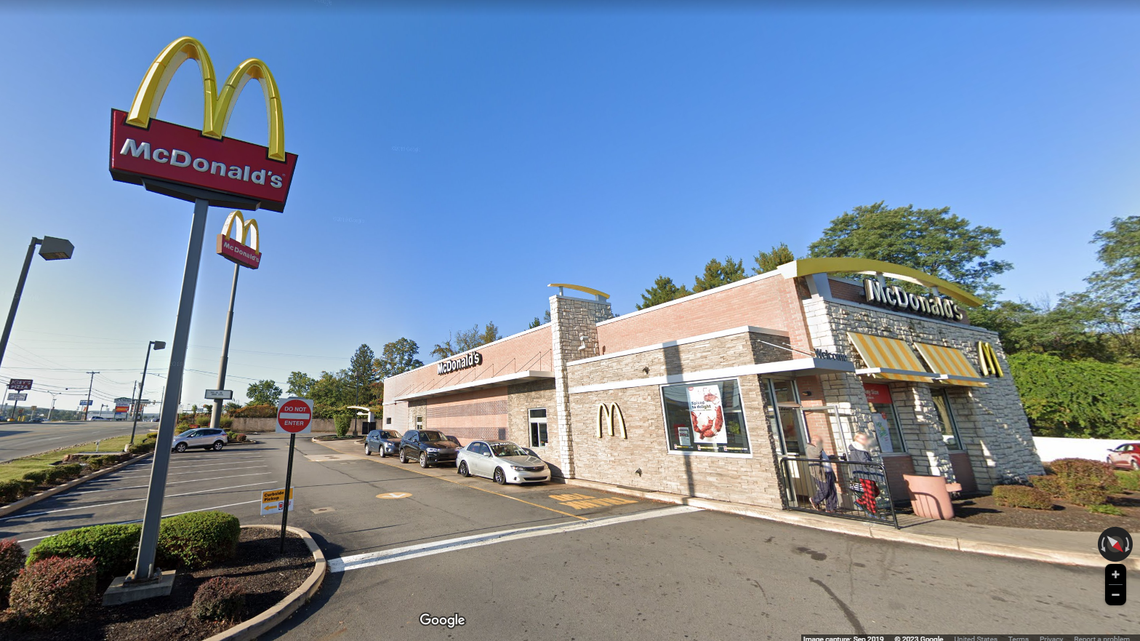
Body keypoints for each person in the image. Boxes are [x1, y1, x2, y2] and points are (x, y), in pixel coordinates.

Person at [847, 431, 882, 514]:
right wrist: (876, 465)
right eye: (862, 438)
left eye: (865, 438)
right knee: (870, 492)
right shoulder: (858, 448)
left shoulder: (861, 448)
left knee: (875, 491)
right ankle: (872, 510)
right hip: (864, 472)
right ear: (857, 439)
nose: (865, 440)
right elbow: (864, 461)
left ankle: (860, 501)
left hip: (866, 472)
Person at [805, 436, 837, 512]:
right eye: (818, 441)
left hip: (828, 471)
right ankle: (815, 500)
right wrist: (819, 443)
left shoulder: (819, 449)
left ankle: (831, 508)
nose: (820, 443)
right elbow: (816, 454)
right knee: (824, 489)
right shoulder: (810, 448)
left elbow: (822, 457)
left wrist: (831, 457)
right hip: (820, 473)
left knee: (832, 490)